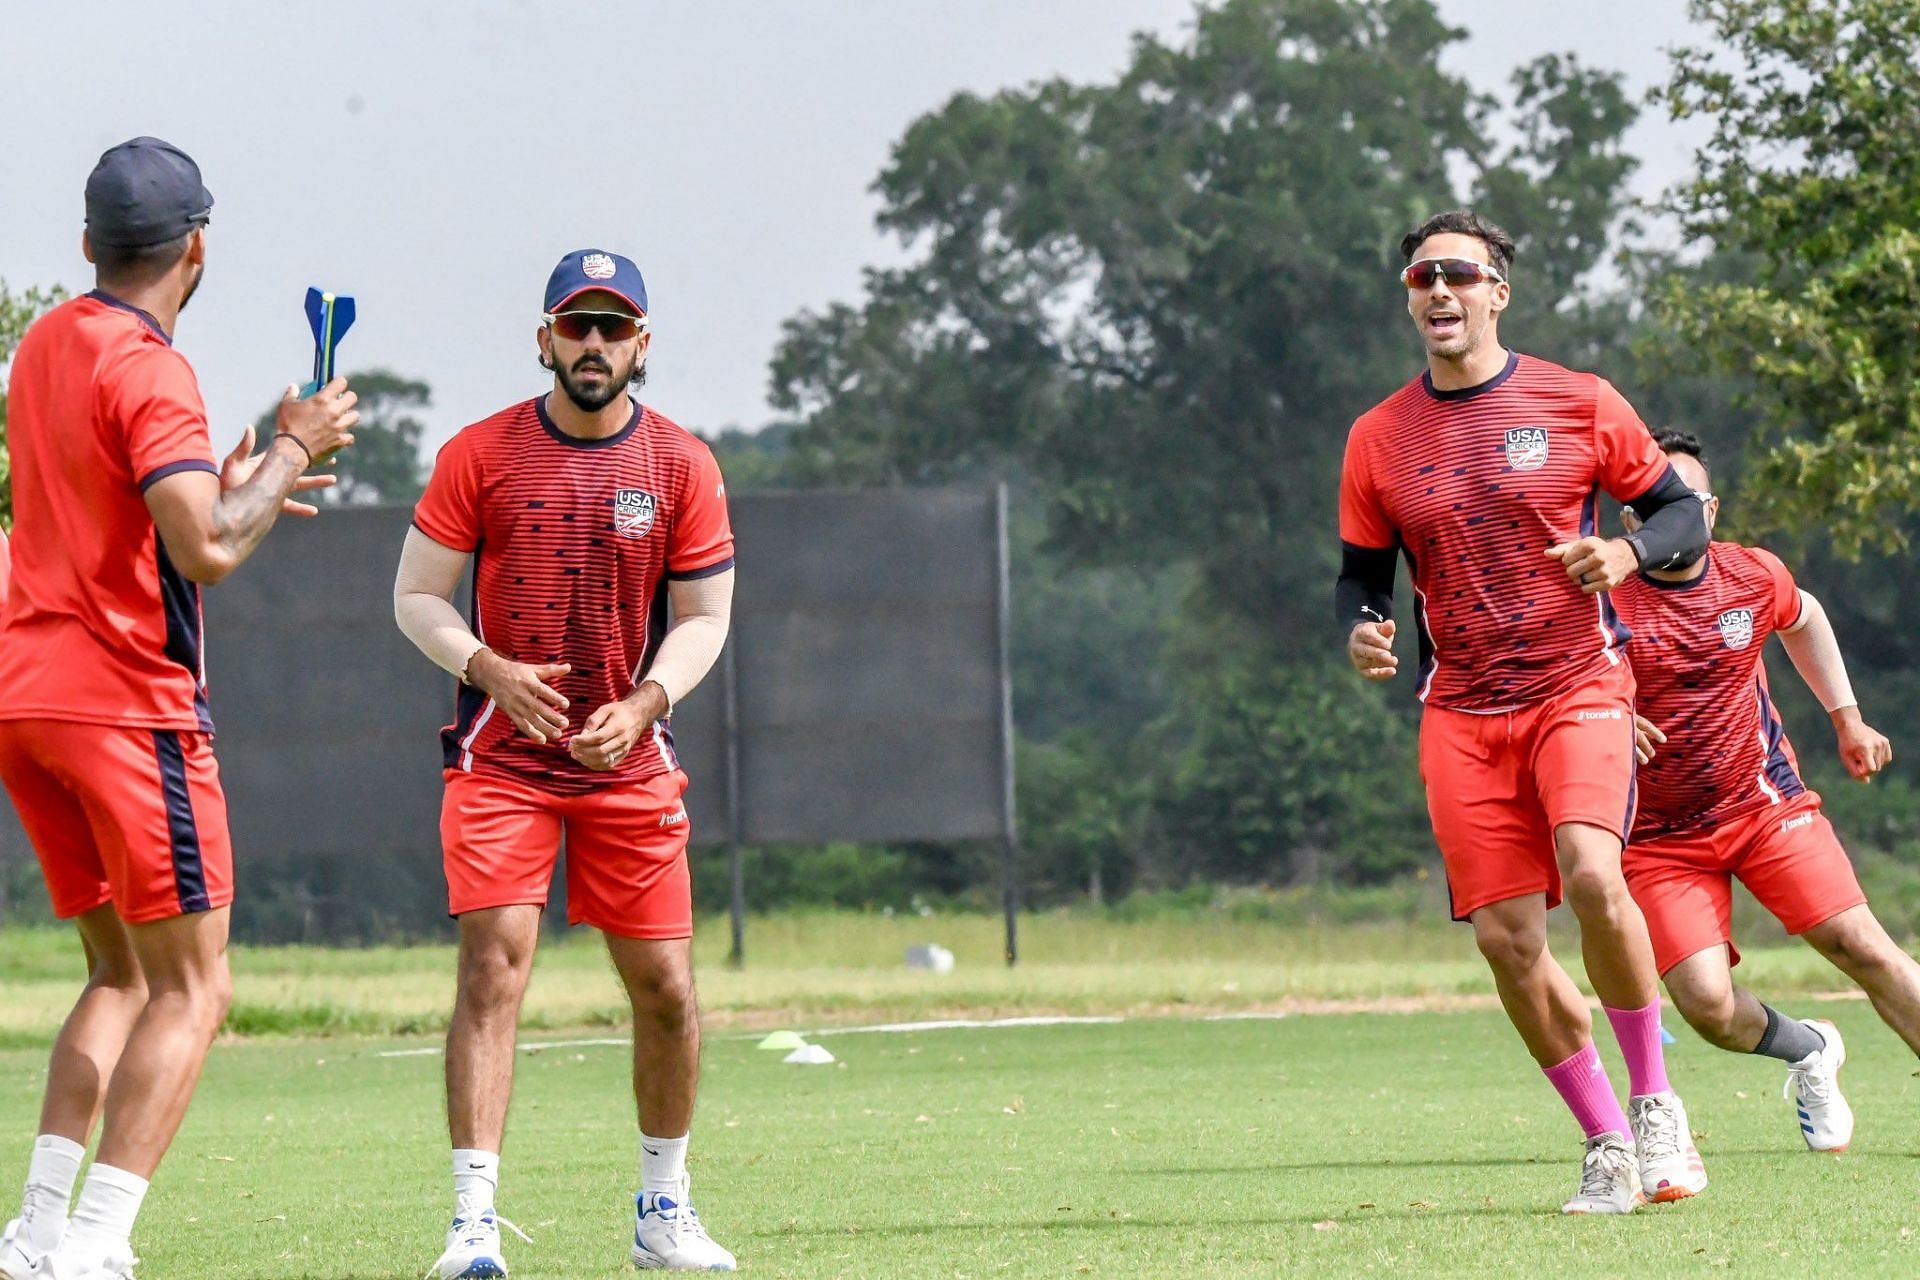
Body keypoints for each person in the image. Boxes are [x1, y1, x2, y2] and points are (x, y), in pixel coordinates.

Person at [0, 137, 355, 1280]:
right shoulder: (152, 367)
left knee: (119, 973)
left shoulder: (47, 339)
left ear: (88, 245)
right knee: (197, 985)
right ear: (196, 246)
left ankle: (36, 1231)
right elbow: (201, 547)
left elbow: (136, 500)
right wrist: (295, 441)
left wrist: (243, 473)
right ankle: (99, 1242)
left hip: (24, 696)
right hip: (123, 706)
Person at [1336, 209, 1713, 1214]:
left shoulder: (1579, 400)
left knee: (1593, 870)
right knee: (1506, 940)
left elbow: (1678, 514)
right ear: (1410, 297)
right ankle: (1603, 1140)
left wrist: (1628, 552)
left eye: (1461, 274)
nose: (1440, 292)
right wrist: (1364, 627)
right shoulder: (1377, 436)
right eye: (1422, 278)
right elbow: (1361, 576)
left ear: (1499, 290)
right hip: (1459, 708)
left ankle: (1656, 1101)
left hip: (1576, 685)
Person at [394, 249, 737, 1275]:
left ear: (643, 346)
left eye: (613, 326)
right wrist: (486, 667)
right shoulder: (479, 452)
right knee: (494, 967)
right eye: (576, 326)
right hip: (504, 760)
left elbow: (707, 617)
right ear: (543, 339)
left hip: (627, 765)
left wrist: (646, 702)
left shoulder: (682, 463)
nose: (594, 344)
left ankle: (663, 1209)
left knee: (668, 988)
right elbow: (417, 596)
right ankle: (472, 1224)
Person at [1617, 428, 1918, 1153]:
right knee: (1707, 1007)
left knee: (1861, 943)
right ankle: (1810, 1048)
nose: (1674, 515)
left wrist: (1846, 719)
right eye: (1656, 505)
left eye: (1686, 501)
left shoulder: (1752, 577)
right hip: (1660, 841)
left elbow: (1805, 617)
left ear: (1711, 511)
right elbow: (1554, 684)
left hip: (1763, 805)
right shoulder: (1603, 600)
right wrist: (1606, 722)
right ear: (1632, 522)